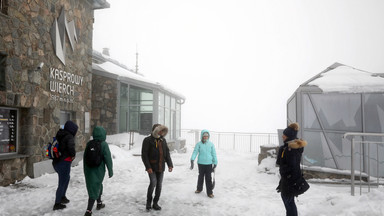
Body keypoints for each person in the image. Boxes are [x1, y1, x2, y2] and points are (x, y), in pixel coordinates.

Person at [276, 122, 307, 216]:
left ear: (289, 136)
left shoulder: (291, 150)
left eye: (284, 135)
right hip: (289, 178)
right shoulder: (289, 147)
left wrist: (285, 173)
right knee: (288, 200)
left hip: (290, 179)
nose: (282, 136)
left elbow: (291, 165)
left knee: (288, 201)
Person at [141, 124, 173, 211]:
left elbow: (167, 154)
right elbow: (144, 155)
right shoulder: (147, 140)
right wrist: (148, 167)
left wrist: (170, 165)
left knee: (159, 185)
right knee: (153, 183)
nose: (161, 132)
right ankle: (148, 202)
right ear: (155, 130)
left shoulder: (163, 140)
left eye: (162, 130)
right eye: (159, 130)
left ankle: (155, 203)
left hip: (161, 167)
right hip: (151, 167)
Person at [83, 126, 113, 216]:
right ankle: (88, 211)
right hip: (98, 170)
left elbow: (85, 157)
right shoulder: (104, 144)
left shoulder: (89, 143)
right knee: (94, 188)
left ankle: (99, 203)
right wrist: (110, 170)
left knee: (96, 186)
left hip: (89, 170)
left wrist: (85, 170)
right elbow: (108, 158)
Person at [52, 120, 78, 210]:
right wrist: (73, 154)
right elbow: (71, 148)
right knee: (62, 182)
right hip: (64, 162)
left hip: (57, 162)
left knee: (66, 179)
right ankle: (57, 203)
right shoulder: (69, 136)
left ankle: (62, 197)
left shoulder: (60, 134)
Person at [190, 129, 218, 198]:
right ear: (202, 136)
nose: (205, 137)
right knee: (200, 176)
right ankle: (199, 189)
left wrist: (215, 162)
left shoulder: (211, 144)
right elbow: (195, 152)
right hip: (201, 163)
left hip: (209, 164)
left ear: (208, 136)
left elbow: (214, 154)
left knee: (208, 178)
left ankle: (210, 192)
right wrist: (192, 159)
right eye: (204, 136)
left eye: (207, 136)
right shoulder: (199, 144)